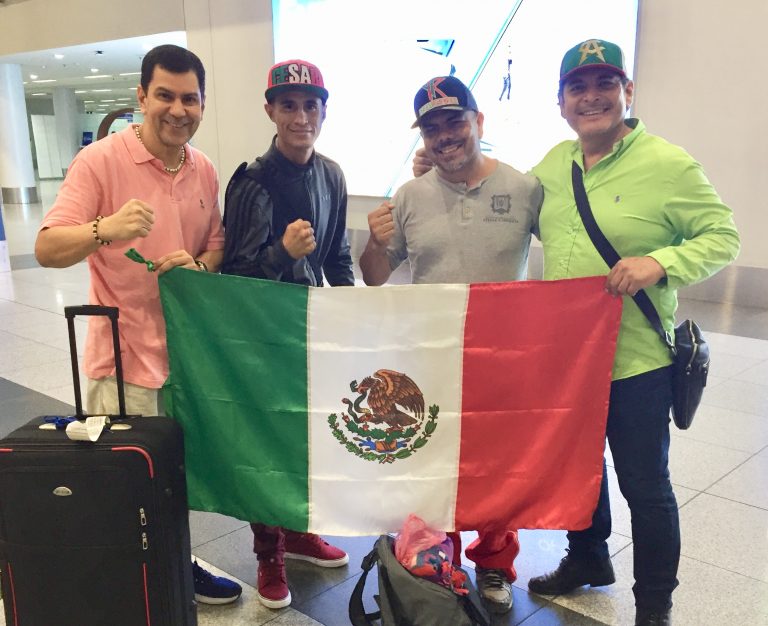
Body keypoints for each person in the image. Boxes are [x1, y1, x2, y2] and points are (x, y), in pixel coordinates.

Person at [523, 39, 740, 626]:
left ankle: (654, 606)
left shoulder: (667, 163)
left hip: (636, 362)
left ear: (627, 92)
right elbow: (508, 206)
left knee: (645, 487)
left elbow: (723, 236)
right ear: (561, 102)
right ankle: (587, 558)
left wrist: (661, 262)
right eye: (578, 87)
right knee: (578, 472)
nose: (591, 97)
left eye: (605, 84)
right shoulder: (553, 164)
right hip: (568, 360)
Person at [34, 44, 243, 606]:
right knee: (121, 485)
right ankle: (124, 588)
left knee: (173, 478)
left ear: (202, 104)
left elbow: (217, 244)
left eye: (190, 99)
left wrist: (199, 265)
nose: (178, 110)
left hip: (186, 359)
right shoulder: (99, 161)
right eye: (165, 96)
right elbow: (48, 247)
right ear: (142, 97)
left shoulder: (203, 167)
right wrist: (104, 228)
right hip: (122, 358)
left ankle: (175, 566)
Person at [359, 75, 543, 613]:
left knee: (500, 464)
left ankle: (494, 562)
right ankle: (440, 559)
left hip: (502, 357)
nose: (445, 136)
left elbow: (570, 251)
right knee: (435, 463)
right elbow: (374, 275)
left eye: (454, 121)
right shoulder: (410, 197)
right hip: (431, 356)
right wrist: (375, 242)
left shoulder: (524, 189)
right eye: (432, 128)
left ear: (478, 122)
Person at [221, 59, 354, 609]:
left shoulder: (332, 175)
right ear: (270, 111)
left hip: (312, 326)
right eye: (289, 106)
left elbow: (338, 255)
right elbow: (235, 275)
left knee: (309, 437)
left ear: (323, 111)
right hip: (263, 333)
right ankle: (268, 552)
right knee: (267, 442)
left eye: (310, 105)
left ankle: (299, 530)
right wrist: (281, 252)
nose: (301, 117)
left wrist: (349, 313)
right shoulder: (252, 182)